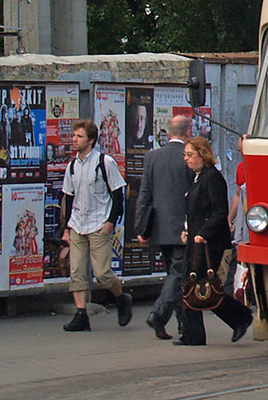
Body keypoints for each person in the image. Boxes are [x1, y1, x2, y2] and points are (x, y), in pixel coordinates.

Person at [58, 118, 133, 331]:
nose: (74, 140)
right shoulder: (72, 166)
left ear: (90, 140)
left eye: (79, 136)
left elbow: (118, 195)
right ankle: (81, 314)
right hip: (77, 224)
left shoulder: (104, 162)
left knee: (102, 273)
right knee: (77, 271)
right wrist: (66, 228)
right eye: (74, 136)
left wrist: (111, 222)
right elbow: (68, 197)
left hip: (99, 222)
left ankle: (121, 298)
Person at [176, 136, 252, 345]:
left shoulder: (212, 177)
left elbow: (220, 211)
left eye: (190, 155)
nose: (187, 159)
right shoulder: (198, 177)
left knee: (202, 284)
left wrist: (204, 233)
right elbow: (196, 210)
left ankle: (240, 317)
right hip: (196, 238)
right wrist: (188, 230)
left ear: (202, 154)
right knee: (191, 284)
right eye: (185, 155)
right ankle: (193, 335)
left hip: (209, 242)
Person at [138, 114, 194, 340]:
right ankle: (158, 314)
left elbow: (145, 194)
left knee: (174, 274)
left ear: (168, 133)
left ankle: (182, 324)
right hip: (184, 227)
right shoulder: (189, 158)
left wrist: (142, 228)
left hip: (161, 227)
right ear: (188, 133)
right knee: (178, 274)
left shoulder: (152, 157)